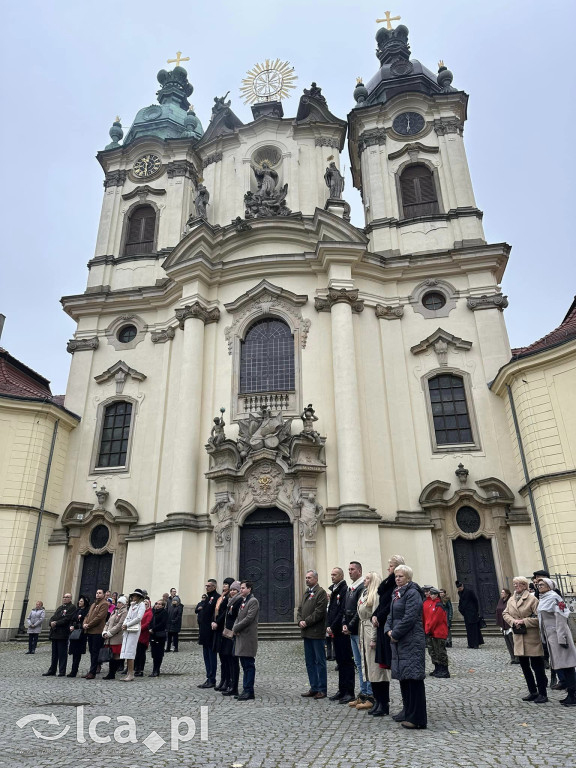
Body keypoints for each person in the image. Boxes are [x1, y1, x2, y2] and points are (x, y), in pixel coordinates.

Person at [384, 565, 427, 730]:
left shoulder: (413, 593)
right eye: (396, 576)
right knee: (404, 678)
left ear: (408, 578)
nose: (397, 579)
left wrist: (395, 633)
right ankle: (408, 712)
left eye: (400, 576)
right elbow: (390, 615)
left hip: (411, 641)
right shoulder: (397, 594)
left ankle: (417, 718)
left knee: (414, 679)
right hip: (400, 641)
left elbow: (410, 617)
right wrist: (388, 629)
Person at [503, 576, 548, 703]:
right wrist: (513, 622)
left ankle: (543, 693)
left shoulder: (532, 599)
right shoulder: (511, 599)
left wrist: (524, 621)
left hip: (531, 636)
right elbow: (505, 613)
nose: (515, 586)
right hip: (518, 636)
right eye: (514, 584)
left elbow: (540, 618)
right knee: (524, 666)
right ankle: (532, 691)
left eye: (517, 584)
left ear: (524, 585)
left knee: (537, 666)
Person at [535, 577, 576, 707]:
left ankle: (573, 695)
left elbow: (561, 617)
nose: (539, 586)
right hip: (551, 636)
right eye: (538, 585)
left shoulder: (554, 597)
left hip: (559, 635)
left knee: (568, 666)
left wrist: (562, 637)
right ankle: (570, 693)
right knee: (563, 666)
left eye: (542, 584)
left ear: (549, 586)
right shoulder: (544, 598)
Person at [357, 571, 390, 716]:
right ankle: (377, 700)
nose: (364, 580)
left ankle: (383, 702)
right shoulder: (365, 594)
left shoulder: (375, 595)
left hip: (371, 631)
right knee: (370, 668)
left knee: (377, 669)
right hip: (364, 630)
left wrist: (374, 639)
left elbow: (376, 618)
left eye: (367, 579)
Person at [343, 561, 371, 705]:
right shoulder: (351, 588)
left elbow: (359, 612)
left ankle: (369, 693)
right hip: (351, 630)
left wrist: (350, 624)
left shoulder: (361, 588)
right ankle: (363, 692)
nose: (349, 571)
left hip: (359, 629)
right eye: (348, 569)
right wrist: (344, 623)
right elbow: (346, 608)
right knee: (358, 663)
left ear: (359, 571)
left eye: (352, 569)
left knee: (364, 663)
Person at [297, 569, 328, 699]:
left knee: (320, 661)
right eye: (306, 577)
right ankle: (313, 687)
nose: (307, 580)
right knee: (309, 662)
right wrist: (299, 621)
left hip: (316, 632)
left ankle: (322, 688)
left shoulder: (320, 593)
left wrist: (306, 621)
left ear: (316, 579)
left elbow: (319, 612)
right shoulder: (306, 593)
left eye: (309, 577)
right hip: (306, 632)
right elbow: (300, 609)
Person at [327, 566, 355, 703]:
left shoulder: (344, 589)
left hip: (342, 631)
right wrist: (328, 625)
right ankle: (341, 689)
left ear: (341, 576)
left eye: (335, 574)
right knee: (340, 661)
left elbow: (341, 611)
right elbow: (331, 610)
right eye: (331, 574)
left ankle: (349, 691)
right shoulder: (334, 589)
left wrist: (332, 626)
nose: (332, 576)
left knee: (346, 661)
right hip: (335, 631)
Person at [233, 580, 260, 701]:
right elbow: (239, 617)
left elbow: (249, 618)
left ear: (249, 589)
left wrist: (236, 627)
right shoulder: (244, 600)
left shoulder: (253, 601)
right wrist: (235, 627)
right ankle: (245, 689)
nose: (240, 590)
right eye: (240, 588)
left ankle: (249, 690)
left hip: (248, 637)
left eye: (243, 588)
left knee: (249, 664)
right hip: (241, 636)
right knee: (244, 664)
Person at [43, 592, 76, 677]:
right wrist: (51, 622)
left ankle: (62, 670)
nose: (65, 598)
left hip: (63, 633)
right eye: (64, 597)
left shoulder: (72, 607)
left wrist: (56, 622)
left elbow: (67, 619)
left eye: (67, 597)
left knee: (62, 653)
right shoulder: (60, 608)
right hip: (55, 633)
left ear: (70, 599)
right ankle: (52, 670)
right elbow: (53, 617)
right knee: (54, 654)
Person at [196, 579, 220, 688]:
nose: (207, 587)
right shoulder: (207, 598)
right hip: (204, 631)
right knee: (206, 656)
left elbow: (214, 613)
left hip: (211, 632)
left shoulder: (216, 598)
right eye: (206, 586)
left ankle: (212, 678)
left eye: (209, 586)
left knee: (211, 656)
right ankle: (208, 677)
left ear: (214, 587)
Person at [212, 578, 234, 691]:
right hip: (219, 630)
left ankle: (228, 680)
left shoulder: (228, 599)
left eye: (226, 584)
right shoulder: (222, 597)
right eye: (224, 583)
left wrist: (217, 622)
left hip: (224, 629)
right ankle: (223, 680)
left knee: (227, 657)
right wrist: (213, 620)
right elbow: (216, 611)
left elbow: (224, 613)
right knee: (222, 657)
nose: (224, 586)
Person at [82, 587, 109, 679]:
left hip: (97, 631)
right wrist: (84, 623)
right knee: (91, 652)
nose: (98, 594)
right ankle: (92, 669)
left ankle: (92, 672)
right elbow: (87, 615)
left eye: (100, 593)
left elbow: (99, 617)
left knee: (95, 652)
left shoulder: (105, 604)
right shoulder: (93, 604)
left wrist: (88, 625)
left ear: (104, 594)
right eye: (97, 593)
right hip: (90, 631)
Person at [221, 581, 242, 696]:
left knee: (234, 661)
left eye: (235, 590)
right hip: (227, 633)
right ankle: (230, 684)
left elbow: (237, 617)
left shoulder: (238, 601)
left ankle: (234, 687)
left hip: (233, 634)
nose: (233, 591)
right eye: (232, 589)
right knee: (228, 659)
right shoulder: (231, 601)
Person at [422, 587, 450, 678]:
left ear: (437, 595)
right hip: (431, 631)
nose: (431, 595)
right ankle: (437, 668)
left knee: (440, 651)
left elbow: (436, 620)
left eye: (433, 594)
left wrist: (429, 629)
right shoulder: (432, 603)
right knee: (433, 651)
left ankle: (444, 670)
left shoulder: (438, 604)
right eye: (431, 594)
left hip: (438, 631)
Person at [120, 588, 146, 682]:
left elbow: (139, 618)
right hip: (127, 629)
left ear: (138, 597)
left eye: (135, 596)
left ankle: (131, 673)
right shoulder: (132, 605)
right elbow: (128, 616)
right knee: (126, 651)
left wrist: (128, 624)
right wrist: (124, 624)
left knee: (130, 651)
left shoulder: (141, 605)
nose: (133, 597)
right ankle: (128, 673)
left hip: (134, 629)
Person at [101, 595, 127, 680]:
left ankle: (112, 673)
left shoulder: (124, 612)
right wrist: (104, 631)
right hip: (109, 636)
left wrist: (109, 633)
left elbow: (119, 625)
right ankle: (110, 672)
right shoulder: (114, 611)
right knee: (111, 655)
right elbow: (108, 622)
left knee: (116, 655)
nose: (118, 604)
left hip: (116, 637)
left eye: (120, 602)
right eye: (118, 602)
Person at [455, 581, 484, 649]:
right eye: (458, 588)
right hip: (466, 614)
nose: (459, 589)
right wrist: (460, 609)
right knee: (468, 629)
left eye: (460, 587)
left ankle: (476, 643)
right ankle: (470, 643)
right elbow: (461, 601)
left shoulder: (469, 591)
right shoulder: (459, 593)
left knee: (475, 629)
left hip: (473, 613)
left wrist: (476, 611)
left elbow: (475, 601)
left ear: (462, 586)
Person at [67, 595, 90, 677]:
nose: (80, 602)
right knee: (74, 653)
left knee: (78, 653)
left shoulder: (86, 611)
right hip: (74, 634)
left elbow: (84, 622)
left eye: (81, 601)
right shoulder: (77, 610)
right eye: (79, 601)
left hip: (81, 635)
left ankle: (74, 670)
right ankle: (73, 670)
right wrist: (71, 626)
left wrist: (76, 626)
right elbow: (72, 620)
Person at [496, 588, 517, 663]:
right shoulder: (500, 601)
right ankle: (512, 657)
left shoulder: (510, 600)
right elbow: (498, 610)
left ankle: (517, 657)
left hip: (509, 623)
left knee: (512, 641)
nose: (501, 594)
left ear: (507, 594)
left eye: (503, 592)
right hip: (503, 623)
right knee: (507, 642)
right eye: (501, 592)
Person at [149, 599, 169, 677]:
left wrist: (153, 629)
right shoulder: (153, 612)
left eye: (160, 604)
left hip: (160, 635)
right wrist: (150, 628)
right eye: (157, 603)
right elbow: (150, 622)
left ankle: (157, 670)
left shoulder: (164, 613)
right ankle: (154, 669)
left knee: (159, 653)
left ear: (163, 606)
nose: (158, 605)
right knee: (154, 653)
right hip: (153, 635)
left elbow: (162, 623)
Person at [135, 597, 153, 676]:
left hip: (143, 634)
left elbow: (147, 623)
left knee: (141, 653)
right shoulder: (141, 612)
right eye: (144, 604)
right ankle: (136, 668)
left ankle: (140, 669)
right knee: (137, 652)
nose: (144, 605)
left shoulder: (149, 612)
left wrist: (139, 628)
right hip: (137, 634)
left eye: (146, 604)